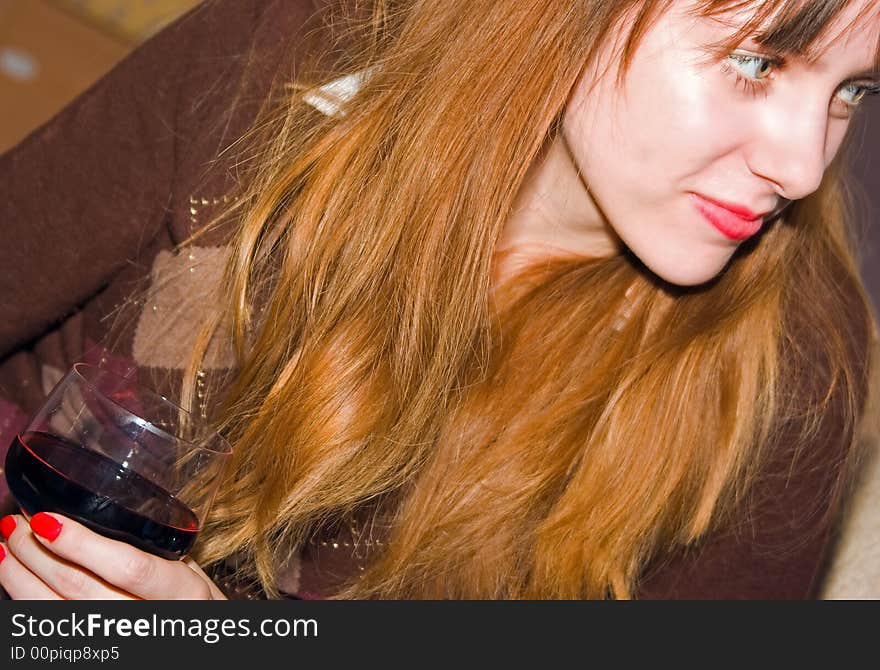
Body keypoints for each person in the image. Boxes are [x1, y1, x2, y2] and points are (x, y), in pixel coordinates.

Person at [0, 0, 878, 600]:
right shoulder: (275, 61)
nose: (804, 168)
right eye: (757, 60)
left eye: (852, 90)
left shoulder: (794, 369)